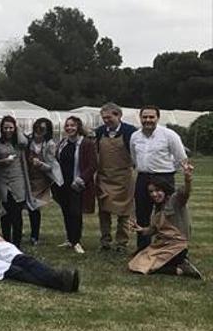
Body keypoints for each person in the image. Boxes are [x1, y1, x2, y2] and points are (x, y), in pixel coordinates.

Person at [129, 161, 203, 279]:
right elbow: (153, 230)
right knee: (136, 262)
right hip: (162, 245)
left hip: (176, 247)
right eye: (151, 192)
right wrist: (140, 229)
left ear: (164, 189)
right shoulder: (157, 209)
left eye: (157, 190)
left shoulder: (175, 200)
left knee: (144, 265)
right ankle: (181, 265)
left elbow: (185, 192)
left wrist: (188, 178)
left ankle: (181, 269)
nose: (154, 194)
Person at [130, 105, 188, 251]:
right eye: (145, 117)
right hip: (143, 177)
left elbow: (181, 158)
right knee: (142, 213)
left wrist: (169, 172)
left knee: (167, 214)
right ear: (140, 118)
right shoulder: (135, 136)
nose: (148, 120)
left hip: (164, 177)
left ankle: (168, 246)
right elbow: (134, 157)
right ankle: (142, 248)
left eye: (151, 117)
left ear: (157, 118)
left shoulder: (169, 135)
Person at [94, 103, 138, 253]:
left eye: (109, 117)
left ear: (119, 115)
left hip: (124, 177)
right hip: (104, 177)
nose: (106, 120)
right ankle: (105, 241)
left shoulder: (130, 132)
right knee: (104, 211)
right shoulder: (99, 132)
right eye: (104, 118)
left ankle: (121, 243)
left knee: (124, 212)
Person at [53, 116, 97, 254]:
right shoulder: (62, 143)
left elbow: (92, 165)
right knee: (66, 211)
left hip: (77, 184)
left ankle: (77, 241)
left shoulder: (86, 143)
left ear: (78, 127)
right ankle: (70, 239)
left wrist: (81, 179)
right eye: (67, 125)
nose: (69, 128)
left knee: (75, 213)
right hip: (62, 184)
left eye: (72, 125)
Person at [0, 116, 32, 248]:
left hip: (18, 182)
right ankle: (6, 242)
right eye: (5, 128)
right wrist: (3, 161)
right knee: (5, 213)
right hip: (3, 182)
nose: (8, 130)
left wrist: (18, 130)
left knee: (17, 214)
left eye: (11, 127)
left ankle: (17, 243)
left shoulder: (19, 143)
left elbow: (25, 142)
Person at [25, 118, 63, 246]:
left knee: (35, 206)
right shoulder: (28, 141)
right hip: (27, 176)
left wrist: (40, 164)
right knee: (26, 205)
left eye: (42, 129)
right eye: (36, 127)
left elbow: (51, 166)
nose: (38, 131)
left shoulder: (50, 144)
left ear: (47, 131)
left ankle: (34, 235)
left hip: (42, 179)